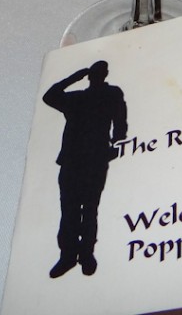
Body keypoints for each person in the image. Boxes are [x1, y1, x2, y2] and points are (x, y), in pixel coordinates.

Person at [42, 60, 128, 278]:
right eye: (95, 72)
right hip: (73, 160)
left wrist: (116, 145)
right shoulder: (77, 98)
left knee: (89, 208)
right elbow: (49, 97)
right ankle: (69, 255)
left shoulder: (111, 94)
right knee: (70, 209)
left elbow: (120, 122)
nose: (98, 74)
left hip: (95, 159)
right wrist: (75, 77)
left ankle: (86, 254)